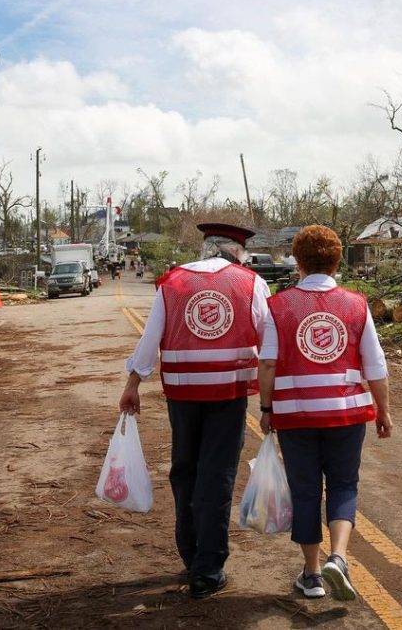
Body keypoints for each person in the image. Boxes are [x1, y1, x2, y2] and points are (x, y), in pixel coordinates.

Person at [118, 222, 270, 599]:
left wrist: (132, 384)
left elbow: (150, 337)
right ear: (236, 251)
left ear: (205, 248)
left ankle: (192, 555)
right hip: (228, 395)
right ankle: (208, 567)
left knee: (185, 470)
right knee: (216, 475)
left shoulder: (172, 282)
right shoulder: (250, 282)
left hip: (183, 395)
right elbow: (271, 346)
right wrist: (275, 399)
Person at [258, 225, 393, 602]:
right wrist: (383, 410)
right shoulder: (356, 305)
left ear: (298, 261)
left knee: (305, 491)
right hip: (346, 416)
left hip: (296, 417)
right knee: (344, 485)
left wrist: (266, 409)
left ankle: (313, 574)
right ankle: (339, 557)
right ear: (336, 261)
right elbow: (376, 365)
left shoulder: (279, 306)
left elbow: (267, 364)